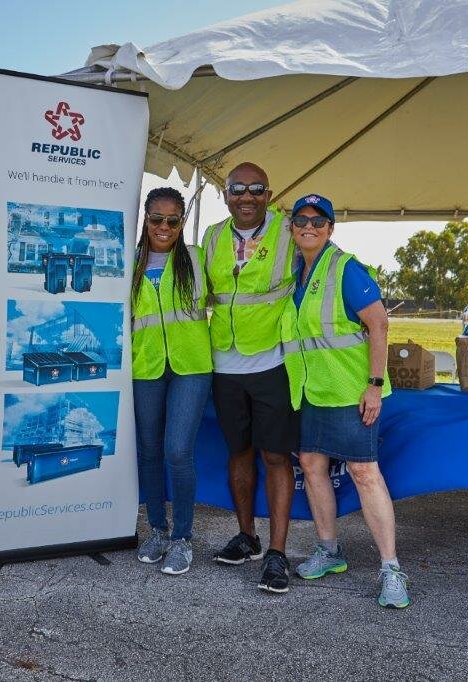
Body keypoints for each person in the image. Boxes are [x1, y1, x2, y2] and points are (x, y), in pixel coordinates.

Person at [281, 193, 410, 609]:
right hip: (312, 390)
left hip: (351, 391)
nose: (310, 227)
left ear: (330, 228)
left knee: (363, 472)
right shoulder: (295, 271)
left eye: (318, 221)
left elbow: (379, 323)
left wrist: (374, 385)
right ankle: (329, 550)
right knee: (311, 464)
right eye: (302, 220)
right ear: (292, 227)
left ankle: (391, 568)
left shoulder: (345, 268)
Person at [201, 162, 298, 594]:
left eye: (256, 189)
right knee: (238, 452)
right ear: (225, 195)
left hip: (272, 361)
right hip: (224, 364)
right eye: (237, 189)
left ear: (268, 195)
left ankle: (277, 553)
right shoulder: (212, 237)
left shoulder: (288, 231)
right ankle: (247, 537)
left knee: (276, 456)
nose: (246, 197)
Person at [131, 187, 212, 576]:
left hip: (191, 367)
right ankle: (157, 531)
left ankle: (182, 538)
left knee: (177, 451)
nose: (164, 227)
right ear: (145, 219)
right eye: (156, 219)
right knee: (148, 451)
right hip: (145, 366)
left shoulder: (197, 258)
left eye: (173, 220)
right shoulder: (129, 264)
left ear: (182, 222)